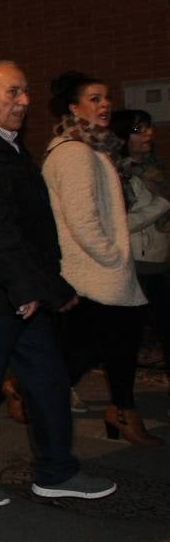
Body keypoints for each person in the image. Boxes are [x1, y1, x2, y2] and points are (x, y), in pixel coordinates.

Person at [0, 61, 117, 504]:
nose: (24, 101)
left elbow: (27, 226)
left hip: (22, 292)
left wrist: (45, 286)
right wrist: (30, 288)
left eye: (24, 92)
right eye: (13, 93)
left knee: (48, 379)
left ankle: (57, 469)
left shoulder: (8, 145)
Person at [42, 71, 157, 445]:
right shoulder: (75, 153)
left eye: (106, 98)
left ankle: (119, 411)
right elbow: (82, 218)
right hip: (93, 273)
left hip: (96, 273)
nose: (104, 104)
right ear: (74, 107)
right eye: (93, 98)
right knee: (97, 348)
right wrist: (114, 256)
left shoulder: (92, 149)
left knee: (103, 346)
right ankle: (33, 393)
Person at [113, 109, 170, 374]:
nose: (148, 134)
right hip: (136, 264)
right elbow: (120, 223)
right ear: (124, 137)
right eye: (138, 130)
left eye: (148, 128)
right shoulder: (118, 173)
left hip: (160, 261)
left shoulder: (154, 170)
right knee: (123, 337)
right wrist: (162, 206)